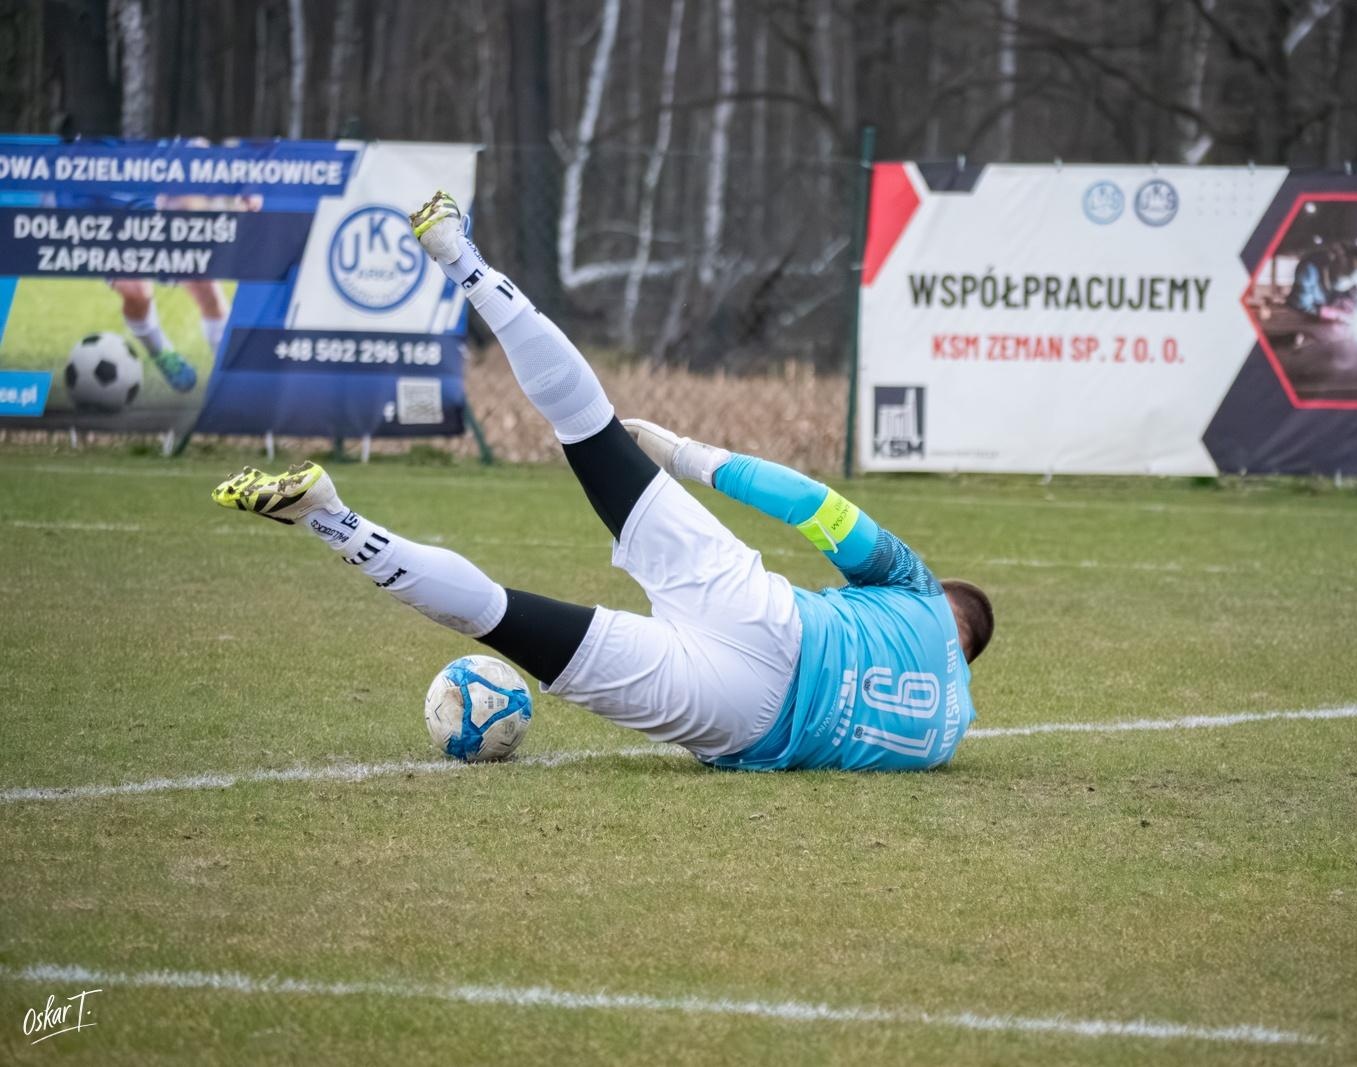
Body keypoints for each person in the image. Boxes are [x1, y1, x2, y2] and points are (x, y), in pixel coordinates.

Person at [211, 191, 992, 771]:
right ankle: (332, 521)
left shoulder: (916, 589)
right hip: (743, 719)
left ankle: (462, 259)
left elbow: (816, 507)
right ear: (967, 653)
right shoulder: (948, 730)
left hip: (771, 617)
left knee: (590, 430)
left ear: (946, 602)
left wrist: (687, 454)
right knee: (504, 619)